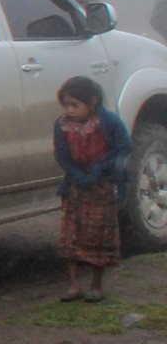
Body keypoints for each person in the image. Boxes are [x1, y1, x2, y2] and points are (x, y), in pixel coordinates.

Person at [54, 76, 131, 303]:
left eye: (74, 105)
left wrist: (99, 169)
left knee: (99, 238)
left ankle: (96, 285)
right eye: (66, 105)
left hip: (102, 186)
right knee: (71, 238)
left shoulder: (109, 122)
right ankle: (74, 285)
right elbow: (61, 155)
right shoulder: (61, 125)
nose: (69, 110)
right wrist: (76, 174)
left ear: (93, 102)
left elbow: (123, 147)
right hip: (75, 187)